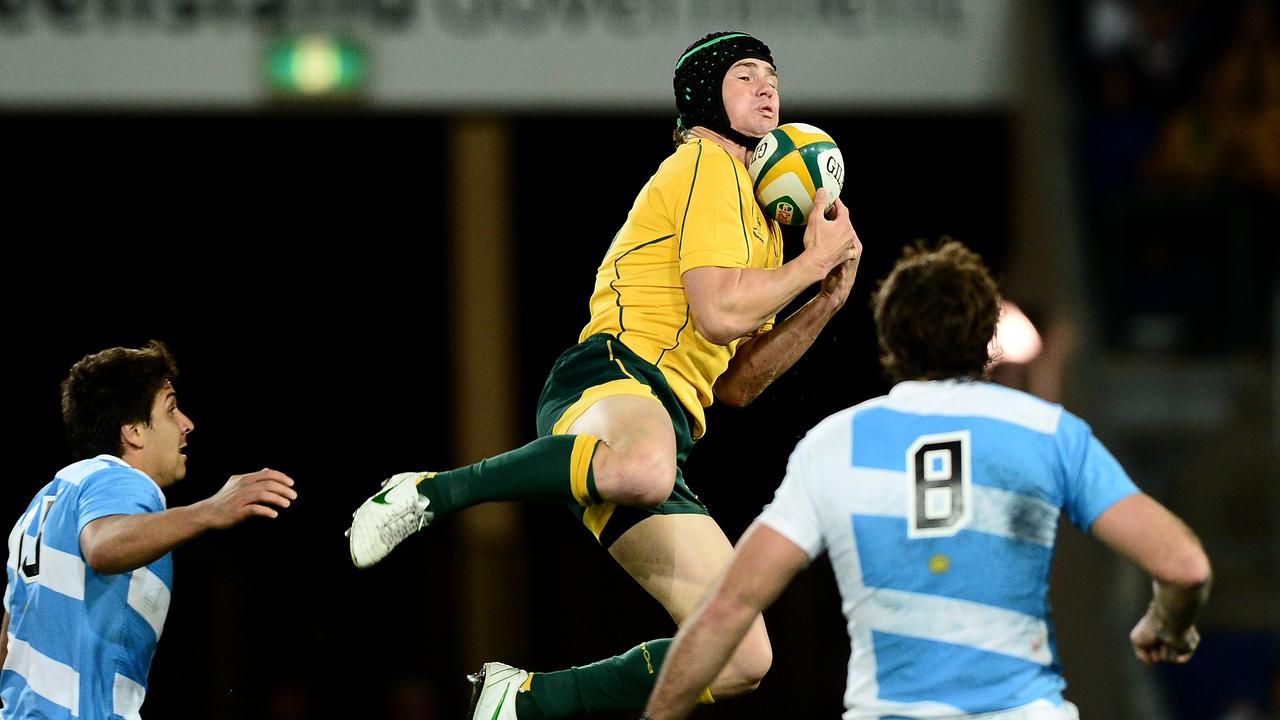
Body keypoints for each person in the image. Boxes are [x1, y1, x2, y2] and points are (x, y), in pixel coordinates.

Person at [347, 30, 862, 720]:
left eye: (772, 75)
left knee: (740, 657)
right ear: (706, 95)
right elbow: (714, 315)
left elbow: (738, 382)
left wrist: (825, 299)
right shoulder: (705, 164)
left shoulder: (766, 227)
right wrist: (809, 266)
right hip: (611, 374)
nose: (767, 87)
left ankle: (523, 699)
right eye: (745, 76)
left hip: (657, 429)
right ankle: (429, 492)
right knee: (642, 468)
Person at [642, 239, 1213, 720]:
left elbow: (728, 609)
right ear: (989, 339)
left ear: (889, 340)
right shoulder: (1046, 432)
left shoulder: (836, 444)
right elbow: (1184, 566)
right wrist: (1169, 623)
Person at [1, 341, 298, 719]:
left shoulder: (40, 507)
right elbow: (103, 547)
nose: (187, 423)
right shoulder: (124, 479)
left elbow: (10, 640)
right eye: (171, 409)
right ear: (134, 431)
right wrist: (212, 509)